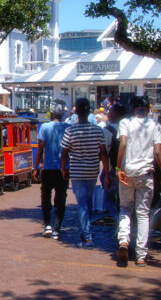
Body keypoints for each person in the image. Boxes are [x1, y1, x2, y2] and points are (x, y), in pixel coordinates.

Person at [116, 96, 161, 267]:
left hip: (127, 172)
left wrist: (119, 168)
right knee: (143, 214)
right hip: (146, 173)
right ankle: (141, 256)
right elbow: (158, 151)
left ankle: (123, 241)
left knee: (125, 208)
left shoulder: (125, 123)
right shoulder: (155, 126)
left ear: (133, 109)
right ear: (147, 109)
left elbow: (123, 144)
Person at [61, 98, 110, 249]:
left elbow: (64, 153)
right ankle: (86, 232)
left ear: (76, 112)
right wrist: (107, 174)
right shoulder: (97, 131)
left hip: (77, 172)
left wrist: (64, 169)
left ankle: (87, 236)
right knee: (87, 202)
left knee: (82, 203)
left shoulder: (70, 131)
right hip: (92, 171)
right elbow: (103, 154)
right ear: (89, 112)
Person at [33, 99, 69, 240]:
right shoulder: (68, 127)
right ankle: (57, 228)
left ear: (52, 112)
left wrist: (35, 168)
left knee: (45, 196)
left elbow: (40, 148)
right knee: (61, 197)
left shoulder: (45, 127)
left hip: (48, 167)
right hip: (64, 169)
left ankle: (47, 224)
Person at [101, 104, 127, 222]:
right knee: (124, 200)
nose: (107, 114)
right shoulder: (129, 129)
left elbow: (103, 154)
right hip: (127, 168)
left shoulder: (107, 131)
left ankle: (118, 221)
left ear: (115, 114)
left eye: (110, 112)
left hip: (112, 169)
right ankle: (124, 220)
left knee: (109, 200)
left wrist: (106, 173)